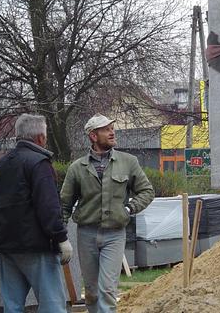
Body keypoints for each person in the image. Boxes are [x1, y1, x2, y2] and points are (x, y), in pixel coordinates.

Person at [61, 114, 154, 313]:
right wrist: (60, 237)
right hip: (86, 235)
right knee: (92, 291)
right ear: (93, 136)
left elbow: (147, 191)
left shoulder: (128, 162)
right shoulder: (77, 168)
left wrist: (129, 208)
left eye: (112, 128)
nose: (112, 132)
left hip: (115, 234)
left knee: (108, 290)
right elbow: (64, 204)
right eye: (106, 129)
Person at [0, 113, 73, 313]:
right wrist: (61, 237)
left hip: (8, 246)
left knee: (12, 306)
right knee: (52, 306)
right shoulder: (39, 163)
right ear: (40, 138)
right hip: (37, 247)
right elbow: (48, 206)